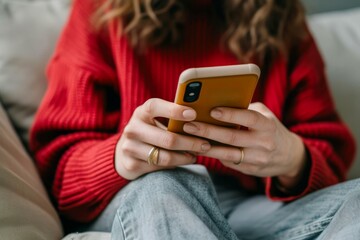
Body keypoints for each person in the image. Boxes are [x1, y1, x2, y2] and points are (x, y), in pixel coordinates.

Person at [30, 0, 359, 239]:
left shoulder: (284, 20)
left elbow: (330, 160)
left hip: (250, 207)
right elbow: (58, 169)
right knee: (166, 186)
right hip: (146, 192)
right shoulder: (100, 11)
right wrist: (119, 157)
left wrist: (293, 159)